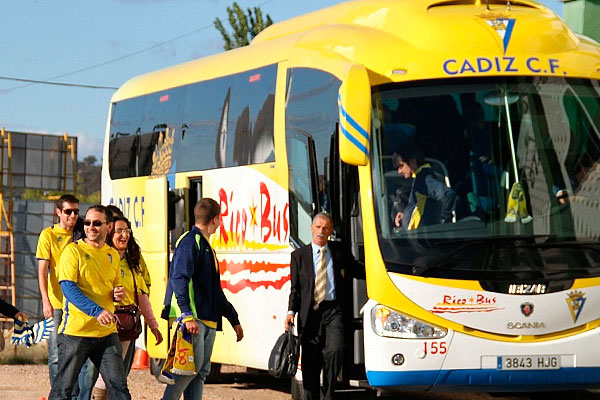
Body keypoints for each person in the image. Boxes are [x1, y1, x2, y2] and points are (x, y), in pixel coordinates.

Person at [161, 198, 244, 400]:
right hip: (193, 320)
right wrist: (187, 315)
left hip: (209, 321)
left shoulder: (207, 246)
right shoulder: (190, 242)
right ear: (215, 219)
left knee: (199, 374)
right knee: (185, 373)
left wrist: (234, 319)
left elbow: (215, 290)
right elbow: (179, 278)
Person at [49, 205, 131, 400]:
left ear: (108, 227)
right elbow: (68, 289)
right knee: (63, 391)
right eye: (87, 222)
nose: (91, 227)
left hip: (106, 333)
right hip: (76, 333)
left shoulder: (112, 255)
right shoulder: (72, 251)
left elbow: (113, 287)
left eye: (97, 223)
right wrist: (96, 311)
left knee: (119, 388)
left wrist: (117, 293)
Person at [284, 212, 363, 400]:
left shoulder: (339, 251)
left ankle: (328, 394)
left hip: (334, 311)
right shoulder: (298, 256)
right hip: (310, 314)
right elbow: (295, 289)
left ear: (331, 231)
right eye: (318, 227)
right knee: (311, 360)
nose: (321, 231)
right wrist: (290, 312)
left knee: (335, 350)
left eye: (325, 228)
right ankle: (310, 395)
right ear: (312, 228)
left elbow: (356, 270)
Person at [90, 216, 163, 400]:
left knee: (113, 377)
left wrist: (153, 325)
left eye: (127, 231)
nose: (125, 235)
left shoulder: (132, 262)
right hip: (102, 325)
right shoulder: (102, 259)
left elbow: (141, 295)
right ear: (109, 233)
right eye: (120, 231)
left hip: (125, 326)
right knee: (108, 377)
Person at [37, 194, 92, 399]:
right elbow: (42, 271)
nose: (72, 215)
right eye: (68, 211)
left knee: (79, 354)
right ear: (58, 212)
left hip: (79, 303)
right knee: (55, 353)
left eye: (76, 211)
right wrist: (45, 301)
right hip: (57, 302)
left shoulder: (82, 232)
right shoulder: (48, 235)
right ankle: (59, 394)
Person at [393, 142, 457, 230]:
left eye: (401, 166)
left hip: (422, 239)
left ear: (413, 162)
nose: (399, 171)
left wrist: (443, 222)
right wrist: (406, 215)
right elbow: (423, 208)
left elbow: (448, 194)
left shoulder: (424, 179)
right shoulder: (420, 177)